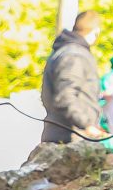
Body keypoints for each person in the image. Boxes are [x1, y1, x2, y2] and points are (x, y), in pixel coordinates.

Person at [38, 9, 106, 146]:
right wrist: (87, 125)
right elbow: (65, 96)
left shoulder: (64, 51)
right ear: (96, 31)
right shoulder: (75, 56)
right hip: (68, 140)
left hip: (63, 135)